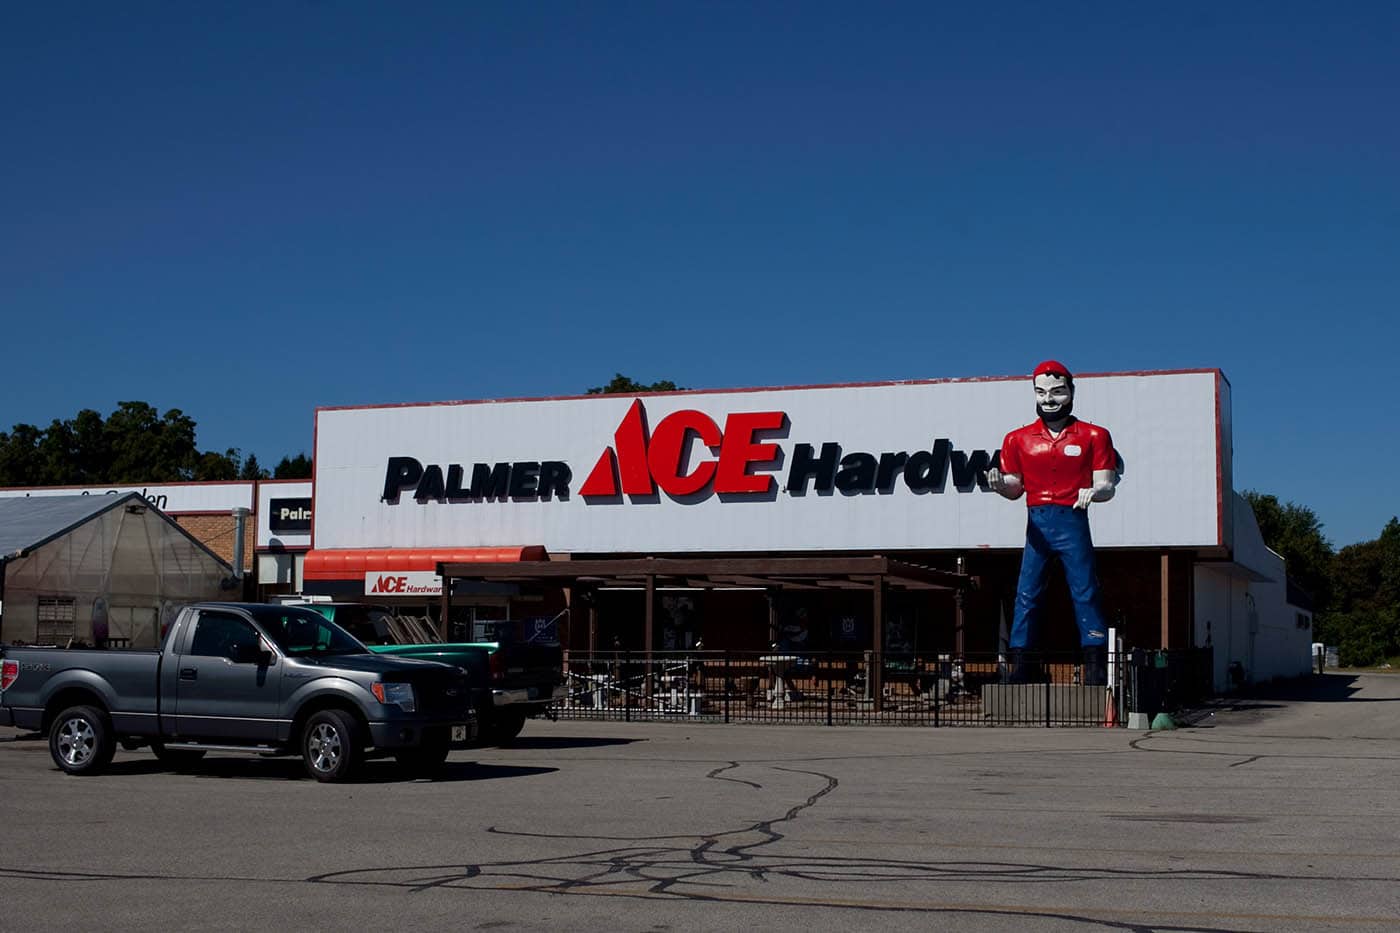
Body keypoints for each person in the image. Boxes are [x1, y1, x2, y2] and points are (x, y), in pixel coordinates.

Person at [986, 360, 1119, 685]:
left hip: (1072, 517)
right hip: (1038, 522)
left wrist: (1096, 491)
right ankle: (1023, 663)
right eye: (1041, 392)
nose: (1049, 399)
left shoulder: (1094, 435)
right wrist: (1001, 485)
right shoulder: (1018, 439)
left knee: (1085, 590)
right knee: (1026, 593)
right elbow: (1015, 488)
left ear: (1071, 392)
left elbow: (1107, 483)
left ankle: (1096, 664)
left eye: (1057, 391)